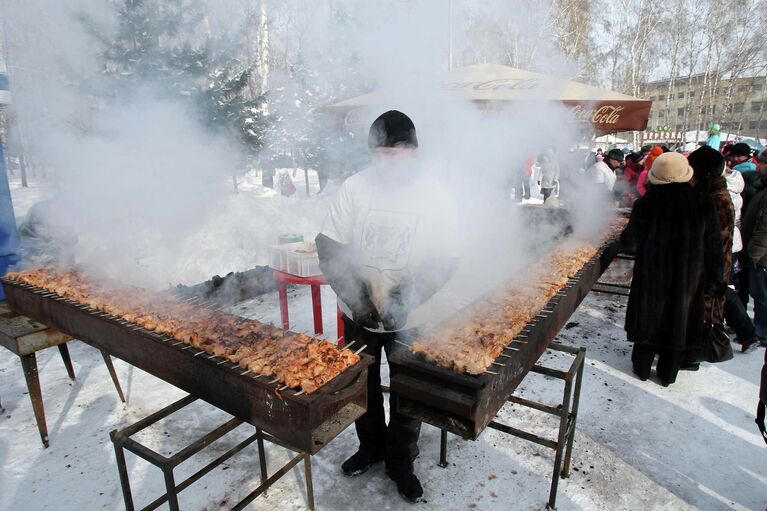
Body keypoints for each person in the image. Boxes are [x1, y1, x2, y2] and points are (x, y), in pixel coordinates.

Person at [315, 110, 460, 503]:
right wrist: (357, 297)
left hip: (413, 313)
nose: (385, 162)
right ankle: (371, 447)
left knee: (407, 390)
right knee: (362, 385)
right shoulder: (355, 188)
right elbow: (328, 246)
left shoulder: (434, 193)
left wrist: (407, 296)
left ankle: (401, 461)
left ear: (412, 152)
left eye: (392, 154)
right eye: (378, 154)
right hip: (359, 311)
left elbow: (446, 257)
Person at [621, 152, 724, 386]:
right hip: (688, 281)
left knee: (647, 325)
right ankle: (668, 375)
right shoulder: (703, 203)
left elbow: (630, 245)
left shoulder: (646, 204)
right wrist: (715, 281)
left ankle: (642, 369)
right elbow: (714, 247)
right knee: (679, 324)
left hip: (651, 281)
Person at [688, 146, 760, 353]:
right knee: (721, 294)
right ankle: (746, 333)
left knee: (719, 296)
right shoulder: (714, 190)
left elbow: (714, 239)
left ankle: (742, 335)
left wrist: (715, 272)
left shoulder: (717, 197)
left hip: (716, 257)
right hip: (720, 253)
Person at [741, 148, 767, 346]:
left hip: (762, 256)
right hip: (758, 252)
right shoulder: (762, 188)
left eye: (763, 163)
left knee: (762, 295)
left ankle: (762, 332)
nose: (759, 166)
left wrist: (753, 253)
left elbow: (765, 229)